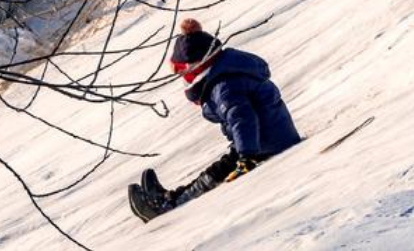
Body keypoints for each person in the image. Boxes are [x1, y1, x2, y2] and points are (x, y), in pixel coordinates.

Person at [129, 19, 302, 222]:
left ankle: (170, 205)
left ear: (194, 68)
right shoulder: (227, 74)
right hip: (264, 142)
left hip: (263, 148)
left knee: (220, 171)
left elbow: (241, 117)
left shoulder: (224, 86)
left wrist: (247, 156)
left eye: (182, 74)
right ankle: (171, 197)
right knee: (222, 166)